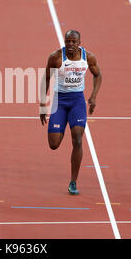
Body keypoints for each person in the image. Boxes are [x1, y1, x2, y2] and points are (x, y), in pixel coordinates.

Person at [40, 29, 102, 195]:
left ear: (79, 43)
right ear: (65, 41)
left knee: (78, 139)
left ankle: (73, 181)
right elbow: (46, 77)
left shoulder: (88, 57)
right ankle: (61, 126)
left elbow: (98, 75)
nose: (71, 45)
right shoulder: (56, 57)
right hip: (60, 101)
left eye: (74, 42)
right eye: (68, 41)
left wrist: (93, 96)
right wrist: (42, 104)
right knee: (53, 144)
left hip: (77, 102)